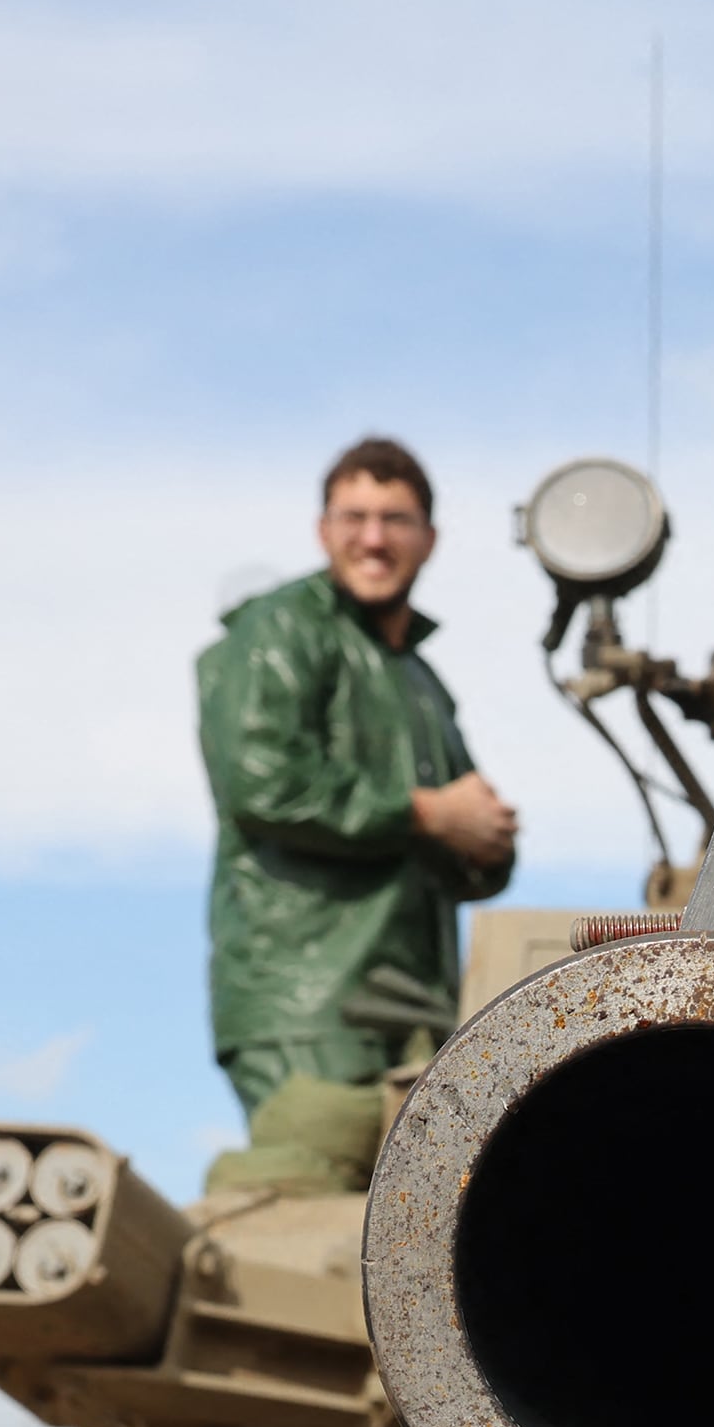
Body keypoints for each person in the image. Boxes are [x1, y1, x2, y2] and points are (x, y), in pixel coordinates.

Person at [197, 437, 518, 1119]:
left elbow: (473, 824)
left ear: (429, 539)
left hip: (421, 1004)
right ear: (324, 531)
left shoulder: (421, 680)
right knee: (312, 1187)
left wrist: (487, 841)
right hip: (310, 1003)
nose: (374, 539)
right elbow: (264, 784)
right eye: (355, 517)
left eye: (395, 520)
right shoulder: (280, 629)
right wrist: (427, 815)